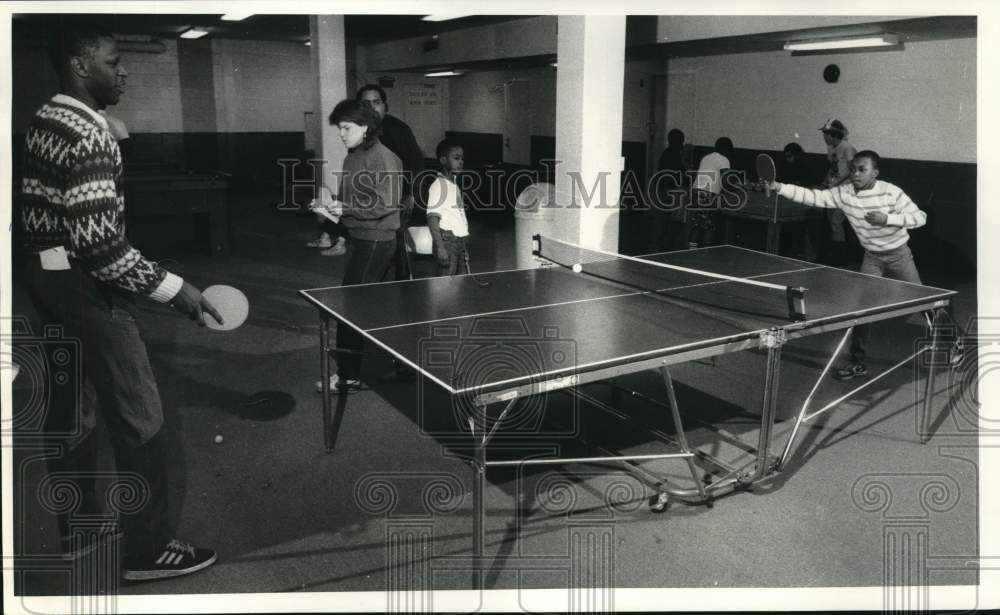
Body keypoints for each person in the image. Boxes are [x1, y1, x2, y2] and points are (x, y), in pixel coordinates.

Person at [21, 23, 220, 580]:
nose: (124, 70)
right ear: (81, 65)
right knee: (142, 419)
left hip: (45, 282)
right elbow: (103, 248)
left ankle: (77, 532)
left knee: (73, 411)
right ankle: (149, 550)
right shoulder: (89, 134)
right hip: (88, 289)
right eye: (113, 61)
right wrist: (178, 290)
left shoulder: (44, 119)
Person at [763, 150, 934, 379]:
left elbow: (920, 217)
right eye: (853, 169)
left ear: (875, 172)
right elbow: (814, 197)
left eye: (862, 169)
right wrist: (779, 187)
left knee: (924, 301)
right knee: (862, 310)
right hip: (872, 258)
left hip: (899, 255)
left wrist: (889, 219)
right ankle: (858, 363)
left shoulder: (891, 192)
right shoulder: (844, 194)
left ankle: (954, 343)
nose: (855, 173)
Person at [312, 99, 403, 393]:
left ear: (366, 127)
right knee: (378, 306)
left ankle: (349, 375)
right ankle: (401, 364)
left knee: (350, 308)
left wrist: (346, 208)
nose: (341, 133)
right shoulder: (352, 156)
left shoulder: (384, 158)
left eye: (346, 127)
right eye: (340, 128)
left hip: (377, 241)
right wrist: (328, 207)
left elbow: (385, 204)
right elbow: (351, 200)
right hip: (360, 238)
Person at [356, 84, 425, 279]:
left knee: (396, 244)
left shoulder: (399, 129)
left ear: (385, 106)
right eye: (365, 104)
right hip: (372, 200)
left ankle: (403, 284)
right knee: (376, 246)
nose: (371, 108)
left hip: (398, 199)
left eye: (376, 102)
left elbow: (416, 163)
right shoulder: (359, 132)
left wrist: (411, 194)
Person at [426, 139, 470, 276]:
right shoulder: (439, 185)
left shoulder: (454, 185)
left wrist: (463, 246)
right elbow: (432, 218)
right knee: (446, 288)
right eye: (456, 158)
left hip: (459, 243)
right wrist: (440, 248)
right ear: (443, 161)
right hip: (447, 243)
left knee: (460, 286)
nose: (461, 161)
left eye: (462, 158)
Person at [819, 119, 857, 264]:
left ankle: (840, 258)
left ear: (833, 134)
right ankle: (834, 253)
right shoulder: (831, 148)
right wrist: (825, 181)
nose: (824, 137)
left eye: (825, 134)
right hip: (833, 190)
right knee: (831, 221)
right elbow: (833, 168)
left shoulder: (847, 148)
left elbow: (854, 169)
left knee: (836, 222)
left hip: (845, 191)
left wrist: (837, 182)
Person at [689, 137, 733, 249]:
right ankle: (705, 252)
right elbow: (725, 180)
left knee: (696, 224)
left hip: (695, 191)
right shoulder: (724, 159)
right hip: (709, 194)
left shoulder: (706, 157)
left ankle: (691, 250)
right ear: (726, 149)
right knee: (708, 226)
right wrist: (735, 188)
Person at [648, 128, 688, 252]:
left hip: (662, 190)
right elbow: (677, 175)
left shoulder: (668, 153)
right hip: (668, 191)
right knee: (665, 222)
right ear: (678, 141)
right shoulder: (674, 154)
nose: (682, 144)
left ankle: (658, 247)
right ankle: (660, 247)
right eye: (681, 141)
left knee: (662, 221)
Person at [781, 142, 821, 261]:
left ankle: (801, 252)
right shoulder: (786, 168)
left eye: (790, 156)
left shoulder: (805, 168)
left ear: (797, 156)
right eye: (786, 157)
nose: (787, 159)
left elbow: (810, 186)